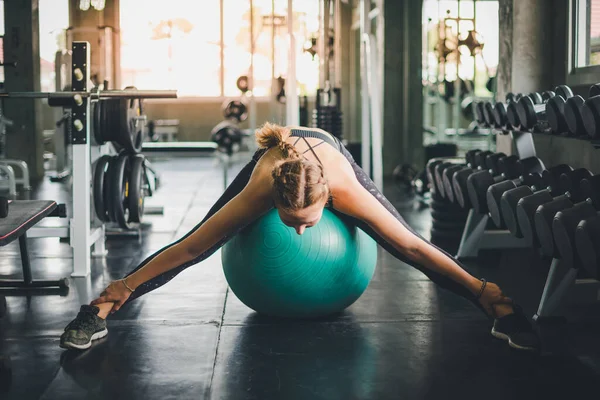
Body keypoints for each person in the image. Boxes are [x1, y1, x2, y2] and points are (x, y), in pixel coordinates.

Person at [60, 123, 538, 352]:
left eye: (309, 222)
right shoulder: (261, 188)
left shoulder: (344, 189)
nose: (305, 233)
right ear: (274, 203)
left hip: (329, 152)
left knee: (402, 237)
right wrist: (113, 294)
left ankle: (496, 303)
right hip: (279, 158)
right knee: (201, 235)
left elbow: (414, 248)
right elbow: (190, 248)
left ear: (328, 199)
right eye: (293, 224)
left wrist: (485, 291)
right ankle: (102, 307)